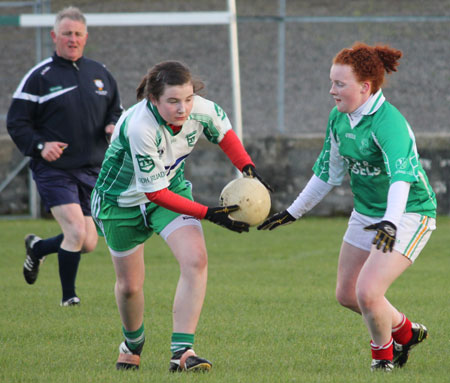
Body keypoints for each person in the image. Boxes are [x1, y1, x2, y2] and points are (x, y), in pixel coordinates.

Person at [258, 42, 436, 372]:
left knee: (368, 292)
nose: (331, 91)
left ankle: (382, 362)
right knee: (347, 294)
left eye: (340, 84)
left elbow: (402, 179)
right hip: (368, 212)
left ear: (365, 87)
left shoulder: (389, 123)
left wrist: (391, 222)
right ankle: (405, 331)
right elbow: (328, 172)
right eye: (332, 82)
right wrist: (293, 211)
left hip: (409, 211)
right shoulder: (340, 119)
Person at [90, 60, 271, 372]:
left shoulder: (201, 109)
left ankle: (182, 353)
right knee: (130, 286)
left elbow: (223, 133)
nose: (183, 108)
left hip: (169, 191)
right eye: (173, 101)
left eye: (187, 99)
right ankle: (132, 343)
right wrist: (210, 214)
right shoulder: (139, 126)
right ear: (153, 100)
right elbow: (153, 193)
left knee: (196, 260)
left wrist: (247, 168)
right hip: (120, 203)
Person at [7, 6, 122, 306]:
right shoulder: (39, 77)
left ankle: (38, 248)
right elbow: (16, 121)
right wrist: (40, 146)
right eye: (67, 33)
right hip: (54, 169)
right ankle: (68, 298)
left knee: (89, 241)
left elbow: (116, 110)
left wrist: (112, 125)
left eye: (78, 34)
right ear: (54, 36)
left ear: (86, 37)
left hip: (92, 168)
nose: (72, 39)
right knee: (74, 231)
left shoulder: (100, 73)